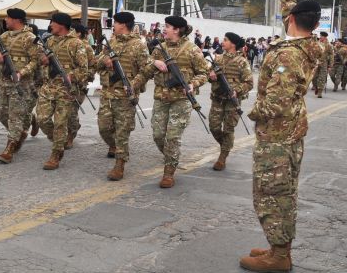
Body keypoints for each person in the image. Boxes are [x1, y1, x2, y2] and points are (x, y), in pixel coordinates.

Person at [239, 0, 323, 273]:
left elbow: (277, 99)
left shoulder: (288, 54)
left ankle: (278, 255)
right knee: (285, 189)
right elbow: (293, 7)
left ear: (290, 20)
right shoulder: (310, 44)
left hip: (276, 134)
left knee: (270, 192)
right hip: (292, 130)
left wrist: (252, 113)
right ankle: (280, 246)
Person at [131, 16, 209, 188]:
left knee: (172, 137)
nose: (164, 29)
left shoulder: (192, 50)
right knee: (158, 135)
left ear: (177, 30)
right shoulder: (159, 49)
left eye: (167, 26)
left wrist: (192, 84)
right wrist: (135, 83)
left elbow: (204, 73)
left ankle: (168, 172)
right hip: (161, 98)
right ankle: (170, 156)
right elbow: (146, 71)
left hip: (181, 100)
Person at [97, 12, 149, 181]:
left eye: (116, 23)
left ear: (123, 25)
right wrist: (104, 61)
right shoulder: (111, 42)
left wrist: (132, 85)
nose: (113, 25)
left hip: (126, 95)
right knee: (104, 127)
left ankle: (120, 164)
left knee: (122, 131)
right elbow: (96, 62)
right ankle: (114, 146)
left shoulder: (139, 45)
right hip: (108, 93)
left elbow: (146, 70)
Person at [34, 13, 88, 170]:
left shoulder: (76, 44)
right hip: (48, 87)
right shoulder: (49, 41)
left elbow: (83, 70)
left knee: (60, 123)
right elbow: (42, 61)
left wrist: (71, 75)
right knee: (42, 119)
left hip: (65, 90)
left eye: (53, 23)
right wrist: (43, 60)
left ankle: (56, 154)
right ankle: (59, 139)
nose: (50, 25)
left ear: (61, 26)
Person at [0, 8, 40, 165]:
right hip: (4, 82)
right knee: (0, 112)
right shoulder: (4, 36)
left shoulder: (30, 38)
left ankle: (10, 148)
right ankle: (19, 132)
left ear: (16, 20)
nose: (6, 20)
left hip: (21, 84)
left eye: (8, 18)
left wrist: (22, 72)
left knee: (15, 116)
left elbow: (36, 60)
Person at [207, 32, 253, 171]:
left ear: (233, 44)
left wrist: (237, 90)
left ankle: (223, 157)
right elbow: (207, 76)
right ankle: (226, 145)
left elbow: (249, 83)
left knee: (228, 129)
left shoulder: (241, 61)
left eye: (225, 40)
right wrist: (211, 76)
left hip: (232, 101)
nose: (223, 42)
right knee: (214, 127)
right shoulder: (218, 59)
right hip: (217, 99)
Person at [312, 32, 333, 97]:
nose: (320, 37)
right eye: (320, 36)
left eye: (321, 36)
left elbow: (331, 55)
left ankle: (320, 91)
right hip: (316, 62)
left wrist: (330, 65)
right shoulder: (316, 43)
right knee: (314, 77)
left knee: (322, 77)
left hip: (324, 63)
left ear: (325, 37)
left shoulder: (329, 45)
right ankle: (316, 87)